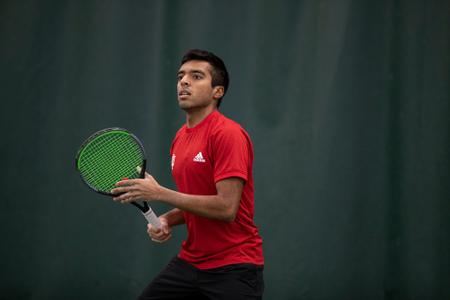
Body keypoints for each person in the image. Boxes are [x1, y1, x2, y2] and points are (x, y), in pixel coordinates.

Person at [112, 49, 264, 299]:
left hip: (234, 266)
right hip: (191, 263)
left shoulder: (228, 134)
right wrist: (167, 220)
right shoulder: (180, 138)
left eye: (196, 76)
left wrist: (159, 193)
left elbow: (226, 208)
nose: (183, 81)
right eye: (181, 76)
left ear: (218, 91)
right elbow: (197, 200)